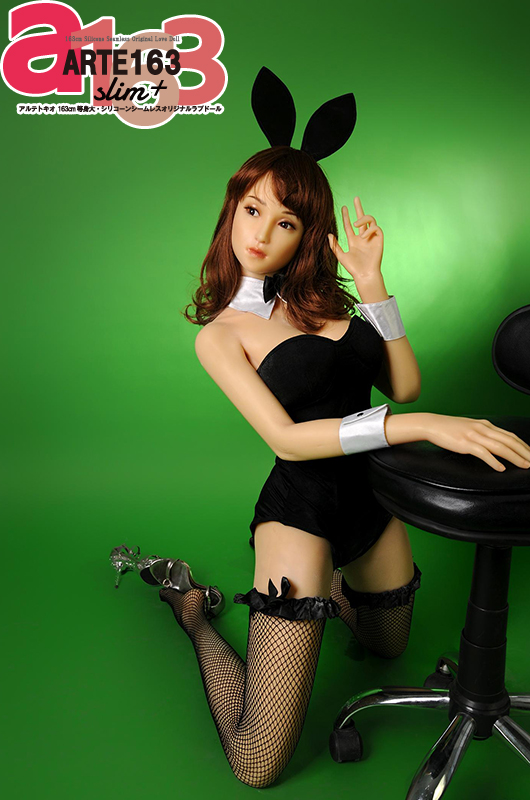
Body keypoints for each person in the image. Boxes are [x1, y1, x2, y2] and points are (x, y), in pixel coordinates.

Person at [110, 68, 530, 789]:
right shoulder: (222, 334)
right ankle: (193, 613)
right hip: (301, 510)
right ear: (232, 209)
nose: (261, 233)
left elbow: (403, 384)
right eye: (252, 209)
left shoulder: (324, 301)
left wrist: (372, 285)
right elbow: (287, 439)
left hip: (370, 499)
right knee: (257, 763)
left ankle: (330, 591)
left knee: (387, 645)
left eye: (286, 221)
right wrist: (419, 426)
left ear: (307, 234)